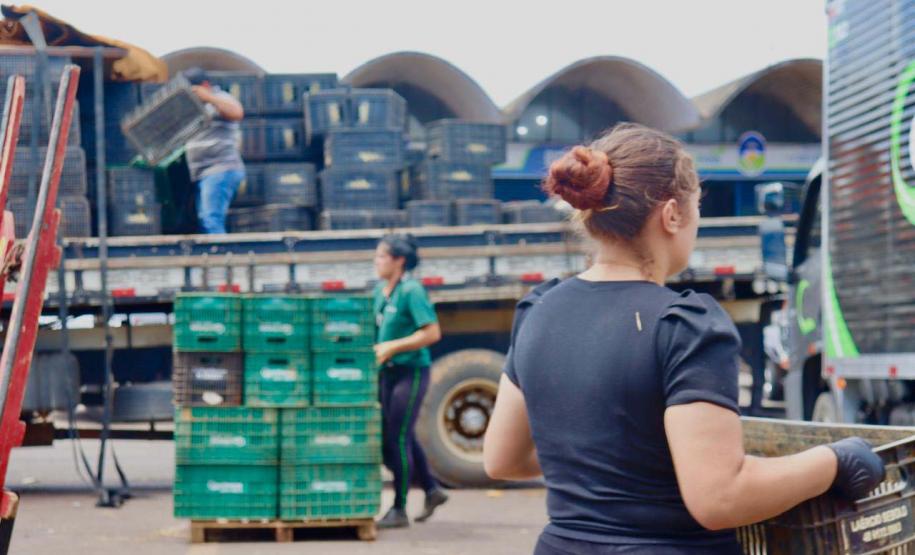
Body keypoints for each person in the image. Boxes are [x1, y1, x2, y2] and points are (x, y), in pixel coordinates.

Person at [482, 123, 885, 554]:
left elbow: (501, 459)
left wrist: (610, 459)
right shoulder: (684, 325)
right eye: (696, 209)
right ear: (672, 214)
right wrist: (834, 461)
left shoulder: (538, 311)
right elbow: (720, 497)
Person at [373, 234, 449, 529]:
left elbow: (431, 333)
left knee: (397, 438)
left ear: (398, 261)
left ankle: (399, 508)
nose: (376, 262)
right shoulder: (381, 292)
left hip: (411, 372)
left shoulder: (412, 291)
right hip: (388, 373)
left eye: (381, 256)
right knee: (398, 433)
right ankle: (431, 490)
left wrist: (392, 347)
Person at [182, 67, 245, 234]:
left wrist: (208, 97)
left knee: (211, 219)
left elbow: (237, 112)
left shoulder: (220, 98)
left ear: (204, 85)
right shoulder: (191, 106)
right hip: (201, 173)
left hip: (220, 168)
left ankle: (221, 258)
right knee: (204, 220)